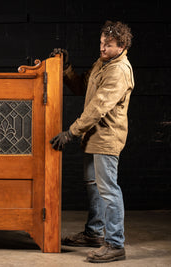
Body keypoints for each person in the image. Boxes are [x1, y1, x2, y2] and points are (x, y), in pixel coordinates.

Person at [50, 21, 134, 263]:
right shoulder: (103, 63)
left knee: (108, 190)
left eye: (108, 45)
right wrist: (66, 67)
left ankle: (116, 244)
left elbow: (97, 108)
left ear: (122, 46)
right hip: (93, 137)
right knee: (93, 186)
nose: (102, 48)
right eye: (101, 43)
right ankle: (94, 233)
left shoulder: (118, 70)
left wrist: (71, 132)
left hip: (106, 139)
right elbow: (81, 86)